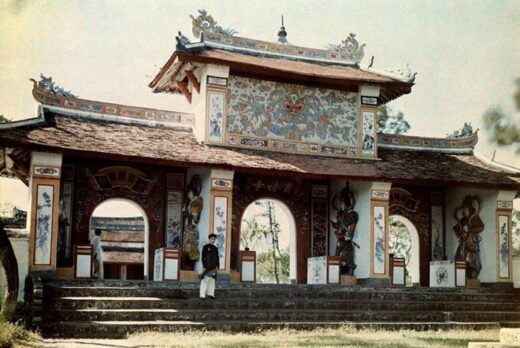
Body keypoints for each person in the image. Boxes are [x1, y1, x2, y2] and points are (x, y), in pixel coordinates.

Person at [200, 233, 219, 299]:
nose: (213, 240)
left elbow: (217, 258)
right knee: (205, 280)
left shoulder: (216, 248)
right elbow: (203, 257)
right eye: (211, 239)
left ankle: (211, 293)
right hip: (207, 267)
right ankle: (202, 295)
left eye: (214, 239)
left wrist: (217, 266)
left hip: (214, 267)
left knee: (212, 281)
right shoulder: (205, 247)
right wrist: (204, 266)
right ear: (209, 239)